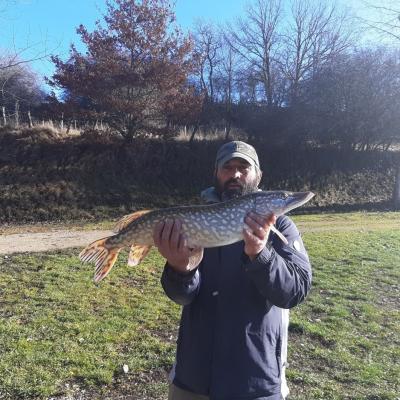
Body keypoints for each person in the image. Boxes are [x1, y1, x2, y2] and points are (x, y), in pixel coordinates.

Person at [153, 141, 312, 400]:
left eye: (243, 167)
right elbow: (182, 297)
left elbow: (294, 291)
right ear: (216, 174)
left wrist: (261, 255)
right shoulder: (196, 223)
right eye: (227, 167)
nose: (235, 174)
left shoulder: (282, 228)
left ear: (258, 176)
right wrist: (180, 269)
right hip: (192, 381)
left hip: (255, 383)